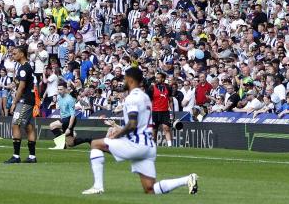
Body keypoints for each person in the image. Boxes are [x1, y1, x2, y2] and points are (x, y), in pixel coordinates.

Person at [74, 67, 198, 197]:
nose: (124, 81)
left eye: (125, 78)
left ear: (131, 80)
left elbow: (132, 123)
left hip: (136, 144)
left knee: (95, 144)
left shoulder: (132, 98)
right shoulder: (145, 97)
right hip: (148, 146)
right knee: (150, 189)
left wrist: (115, 136)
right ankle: (187, 179)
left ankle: (97, 186)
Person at [3, 45, 38, 165]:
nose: (13, 55)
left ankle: (16, 156)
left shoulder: (24, 68)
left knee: (15, 123)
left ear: (22, 54)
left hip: (25, 100)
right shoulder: (24, 67)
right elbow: (20, 84)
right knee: (28, 126)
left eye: (15, 53)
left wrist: (14, 103)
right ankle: (32, 156)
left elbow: (22, 87)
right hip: (29, 99)